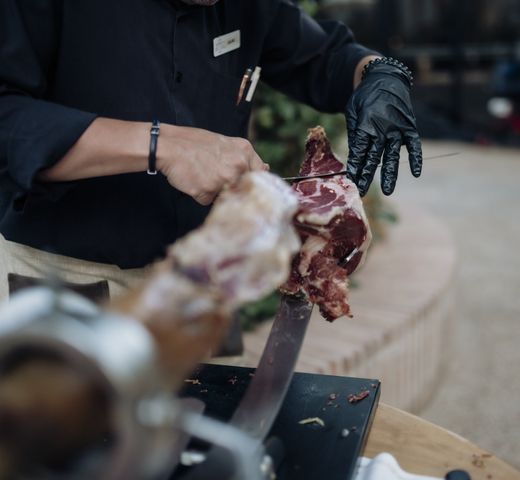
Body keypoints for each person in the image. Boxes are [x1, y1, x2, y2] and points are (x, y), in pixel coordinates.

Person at [0, 0, 422, 313]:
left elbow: (325, 56)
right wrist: (160, 145)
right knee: (73, 430)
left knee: (214, 425)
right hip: (69, 282)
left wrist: (378, 75)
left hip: (202, 280)